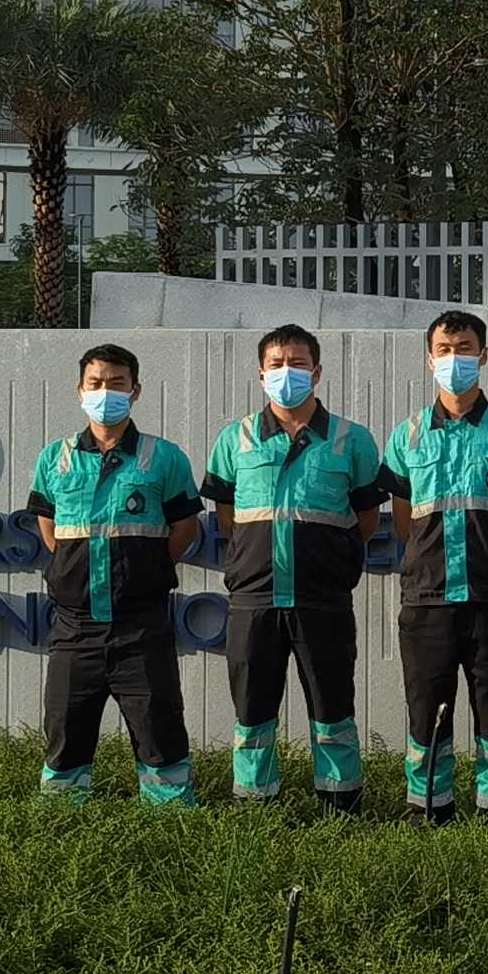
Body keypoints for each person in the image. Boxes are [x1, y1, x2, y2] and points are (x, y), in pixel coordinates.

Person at [200, 323, 389, 813]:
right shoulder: (235, 438)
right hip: (254, 597)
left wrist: (332, 558)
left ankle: (340, 804)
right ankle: (255, 805)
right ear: (261, 373)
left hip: (322, 597)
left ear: (317, 372)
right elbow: (227, 516)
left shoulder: (351, 439)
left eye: (298, 363)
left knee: (332, 706)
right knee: (252, 708)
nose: (288, 372)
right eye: (277, 364)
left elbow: (366, 519)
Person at [385, 309, 488, 820]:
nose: (454, 359)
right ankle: (428, 806)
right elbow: (404, 522)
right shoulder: (408, 434)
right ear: (429, 358)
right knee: (425, 707)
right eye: (444, 350)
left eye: (464, 350)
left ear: (484, 355)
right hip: (427, 597)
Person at [25, 342, 204, 802]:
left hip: (141, 624)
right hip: (75, 626)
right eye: (96, 383)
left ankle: (171, 823)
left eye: (117, 384)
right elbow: (49, 529)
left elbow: (184, 529)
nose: (106, 392)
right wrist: (74, 570)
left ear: (135, 390)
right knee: (65, 731)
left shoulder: (164, 457)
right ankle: (62, 821)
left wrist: (149, 568)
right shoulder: (55, 457)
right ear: (80, 390)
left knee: (160, 731)